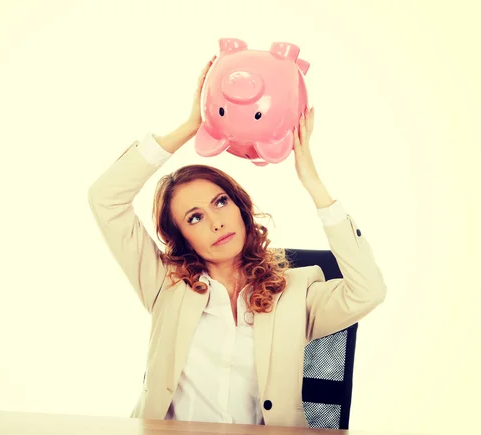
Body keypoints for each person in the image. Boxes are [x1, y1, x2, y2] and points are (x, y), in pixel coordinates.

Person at [87, 56, 387, 428]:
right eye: (194, 217)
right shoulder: (164, 283)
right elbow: (105, 198)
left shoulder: (293, 293)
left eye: (220, 202)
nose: (215, 222)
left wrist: (311, 180)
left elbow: (368, 291)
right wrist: (189, 128)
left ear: (240, 208)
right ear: (182, 237)